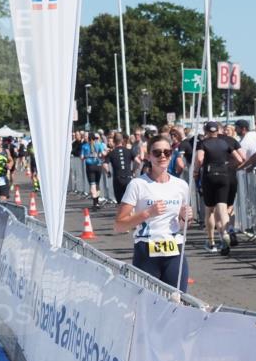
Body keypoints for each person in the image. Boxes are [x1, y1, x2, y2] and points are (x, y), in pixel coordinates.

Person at [114, 135, 193, 292]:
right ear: (149, 156)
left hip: (175, 250)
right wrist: (147, 213)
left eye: (167, 152)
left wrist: (185, 217)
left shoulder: (181, 185)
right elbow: (119, 225)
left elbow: (183, 226)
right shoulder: (138, 184)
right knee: (146, 304)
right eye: (157, 153)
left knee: (177, 303)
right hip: (147, 251)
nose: (162, 156)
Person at [194, 121, 244, 255]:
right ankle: (225, 233)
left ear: (206, 131)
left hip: (209, 175)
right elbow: (240, 159)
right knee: (222, 207)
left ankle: (211, 242)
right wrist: (228, 166)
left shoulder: (203, 143)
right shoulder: (225, 143)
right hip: (224, 174)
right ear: (217, 130)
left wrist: (196, 171)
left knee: (209, 210)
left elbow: (199, 159)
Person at [104, 133, 135, 203]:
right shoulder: (129, 151)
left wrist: (108, 173)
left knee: (120, 200)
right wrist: (133, 170)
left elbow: (105, 164)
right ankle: (130, 213)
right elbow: (137, 161)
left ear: (114, 141)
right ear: (122, 141)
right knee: (129, 200)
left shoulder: (111, 153)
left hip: (117, 178)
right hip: (128, 177)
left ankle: (121, 213)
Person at [81, 132, 106, 209]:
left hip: (90, 166)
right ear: (95, 139)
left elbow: (81, 157)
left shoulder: (84, 146)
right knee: (97, 184)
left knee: (92, 184)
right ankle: (97, 202)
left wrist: (86, 156)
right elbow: (103, 153)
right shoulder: (99, 145)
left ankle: (95, 203)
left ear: (88, 138)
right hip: (98, 165)